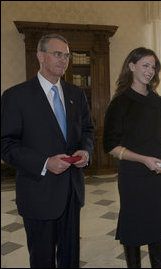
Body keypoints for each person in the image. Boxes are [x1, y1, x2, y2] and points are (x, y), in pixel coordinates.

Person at [1, 34, 94, 267]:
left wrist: (85, 151)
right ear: (40, 56)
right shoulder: (16, 96)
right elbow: (6, 144)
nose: (63, 60)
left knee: (70, 258)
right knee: (42, 260)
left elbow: (87, 130)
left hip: (72, 192)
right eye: (57, 54)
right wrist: (44, 163)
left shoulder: (76, 94)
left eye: (67, 55)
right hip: (38, 193)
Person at [103, 47, 161, 268]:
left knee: (157, 227)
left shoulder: (158, 101)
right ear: (131, 66)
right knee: (133, 228)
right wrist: (144, 159)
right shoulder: (120, 102)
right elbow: (111, 146)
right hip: (133, 175)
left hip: (158, 174)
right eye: (145, 65)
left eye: (153, 67)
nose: (150, 71)